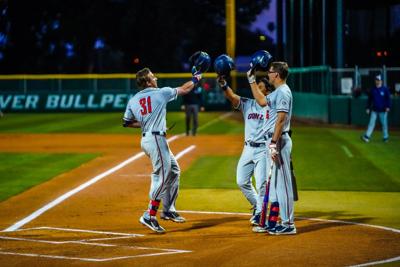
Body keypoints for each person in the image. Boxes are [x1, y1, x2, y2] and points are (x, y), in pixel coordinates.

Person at [123, 67, 202, 233]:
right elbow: (185, 89)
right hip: (156, 140)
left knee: (174, 171)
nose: (156, 77)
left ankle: (168, 210)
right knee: (164, 175)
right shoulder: (161, 92)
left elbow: (127, 122)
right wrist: (196, 78)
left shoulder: (133, 100)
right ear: (147, 81)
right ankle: (149, 215)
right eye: (153, 76)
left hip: (147, 140)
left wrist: (146, 123)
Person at [248, 61, 296, 235]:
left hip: (280, 141)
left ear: (276, 74)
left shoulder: (283, 92)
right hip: (275, 141)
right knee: (276, 186)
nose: (268, 74)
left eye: (270, 71)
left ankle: (289, 224)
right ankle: (278, 222)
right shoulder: (277, 92)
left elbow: (281, 119)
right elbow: (261, 101)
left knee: (284, 185)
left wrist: (274, 143)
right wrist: (251, 80)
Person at [217, 76, 272, 226]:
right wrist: (224, 85)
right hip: (248, 148)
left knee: (261, 183)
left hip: (263, 149)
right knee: (241, 181)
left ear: (267, 90)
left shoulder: (270, 105)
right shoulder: (248, 103)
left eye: (260, 87)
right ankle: (258, 206)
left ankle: (260, 213)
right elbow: (232, 97)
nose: (256, 89)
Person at [361, 74, 391, 143]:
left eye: (379, 80)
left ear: (381, 81)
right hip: (374, 110)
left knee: (384, 124)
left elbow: (388, 99)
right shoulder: (373, 90)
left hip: (383, 110)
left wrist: (388, 107)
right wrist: (368, 108)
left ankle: (385, 137)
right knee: (371, 123)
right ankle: (367, 137)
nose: (378, 82)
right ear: (375, 81)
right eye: (377, 80)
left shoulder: (385, 89)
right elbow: (369, 99)